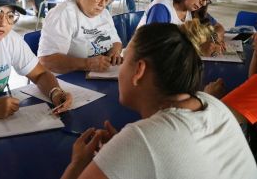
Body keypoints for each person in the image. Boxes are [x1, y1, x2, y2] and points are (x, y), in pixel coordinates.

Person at [61, 21, 257, 179]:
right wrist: (127, 156)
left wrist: (78, 164)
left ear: (139, 70)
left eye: (125, 60)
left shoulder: (140, 138)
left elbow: (152, 143)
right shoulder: (210, 102)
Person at [38, 0, 122, 74]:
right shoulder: (63, 14)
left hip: (96, 76)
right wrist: (87, 64)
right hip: (67, 80)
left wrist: (115, 53)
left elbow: (116, 41)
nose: (102, 4)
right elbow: (46, 61)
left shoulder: (104, 13)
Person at [138, 0, 225, 54]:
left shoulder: (193, 10)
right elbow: (156, 50)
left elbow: (218, 27)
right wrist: (198, 47)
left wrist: (213, 39)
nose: (204, 3)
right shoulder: (162, 7)